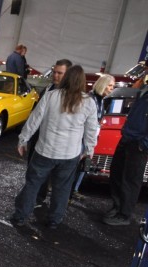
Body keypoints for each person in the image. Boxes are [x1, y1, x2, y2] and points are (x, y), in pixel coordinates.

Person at [10, 65, 100, 229]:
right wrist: (89, 150)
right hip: (69, 155)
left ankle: (20, 217)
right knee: (62, 188)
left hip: (45, 150)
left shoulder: (51, 96)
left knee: (33, 184)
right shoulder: (89, 103)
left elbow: (34, 120)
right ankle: (54, 220)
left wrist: (23, 140)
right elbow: (91, 130)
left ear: (65, 78)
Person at [102, 87, 148, 226]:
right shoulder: (144, 91)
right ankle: (117, 207)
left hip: (138, 144)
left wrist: (144, 144)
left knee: (131, 180)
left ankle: (124, 215)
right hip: (128, 138)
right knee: (116, 173)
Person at [34, 58, 74, 206]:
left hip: (60, 145)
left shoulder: (74, 95)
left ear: (68, 75)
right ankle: (38, 198)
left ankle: (55, 212)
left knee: (58, 180)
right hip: (40, 138)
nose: (55, 75)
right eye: (54, 72)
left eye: (60, 73)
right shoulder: (48, 89)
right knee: (36, 174)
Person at [71, 74, 116, 197]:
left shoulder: (100, 99)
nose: (112, 88)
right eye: (110, 85)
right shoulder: (91, 99)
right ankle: (68, 191)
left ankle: (73, 190)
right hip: (82, 137)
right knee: (76, 164)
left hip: (89, 137)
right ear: (103, 85)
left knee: (83, 165)